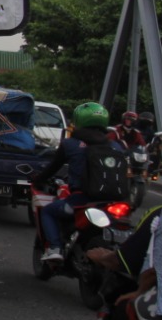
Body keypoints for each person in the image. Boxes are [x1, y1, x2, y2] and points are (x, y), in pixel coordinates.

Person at [33, 101, 123, 263]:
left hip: (80, 201)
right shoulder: (116, 146)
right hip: (112, 202)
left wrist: (37, 179)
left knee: (48, 211)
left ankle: (55, 248)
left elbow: (52, 168)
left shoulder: (70, 144)